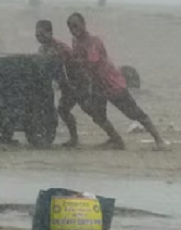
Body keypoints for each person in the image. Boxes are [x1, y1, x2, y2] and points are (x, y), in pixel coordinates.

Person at [66, 13, 166, 150]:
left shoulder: (94, 41)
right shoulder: (75, 42)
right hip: (97, 85)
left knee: (134, 113)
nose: (74, 30)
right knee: (97, 115)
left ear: (83, 25)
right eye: (71, 27)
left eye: (76, 26)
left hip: (111, 83)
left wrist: (75, 62)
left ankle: (159, 140)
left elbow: (92, 62)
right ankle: (116, 140)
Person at [35, 19, 82, 148]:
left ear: (50, 33)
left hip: (74, 83)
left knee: (64, 109)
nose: (39, 38)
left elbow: (72, 67)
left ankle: (75, 138)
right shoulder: (42, 49)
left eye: (42, 34)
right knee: (62, 109)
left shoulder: (61, 48)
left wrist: (73, 84)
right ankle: (74, 138)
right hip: (62, 84)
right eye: (37, 35)